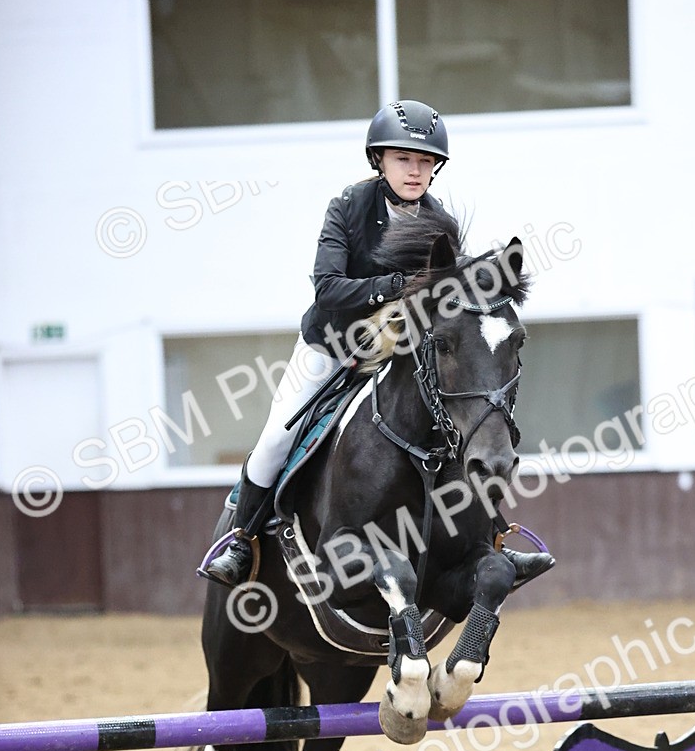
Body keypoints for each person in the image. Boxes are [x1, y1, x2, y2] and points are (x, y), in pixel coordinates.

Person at [205, 99, 551, 591]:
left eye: (425, 161)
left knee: (457, 428)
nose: (415, 171)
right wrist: (392, 286)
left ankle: (491, 538)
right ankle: (242, 540)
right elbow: (327, 287)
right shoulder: (348, 207)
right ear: (379, 162)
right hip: (334, 345)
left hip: (398, 351)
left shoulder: (438, 218)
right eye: (403, 159)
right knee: (276, 439)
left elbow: (455, 296)